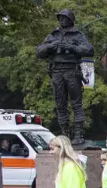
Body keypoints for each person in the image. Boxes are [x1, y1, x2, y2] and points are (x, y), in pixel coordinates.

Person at [36, 8, 94, 145]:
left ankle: (78, 135)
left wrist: (72, 48)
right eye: (60, 18)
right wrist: (51, 46)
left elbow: (90, 50)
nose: (62, 20)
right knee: (60, 104)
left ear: (71, 20)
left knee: (76, 104)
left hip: (72, 71)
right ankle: (64, 135)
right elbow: (39, 52)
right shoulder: (53, 35)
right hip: (56, 72)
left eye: (65, 18)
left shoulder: (78, 35)